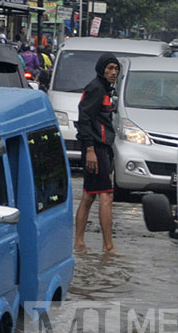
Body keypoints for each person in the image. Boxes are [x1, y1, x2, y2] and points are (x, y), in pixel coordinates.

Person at [74, 53, 120, 253]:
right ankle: (108, 247)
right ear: (102, 69)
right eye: (109, 68)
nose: (113, 72)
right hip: (96, 148)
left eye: (116, 69)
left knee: (88, 196)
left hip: (102, 147)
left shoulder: (106, 90)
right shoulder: (95, 89)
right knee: (106, 196)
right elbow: (83, 118)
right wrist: (90, 149)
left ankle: (79, 243)